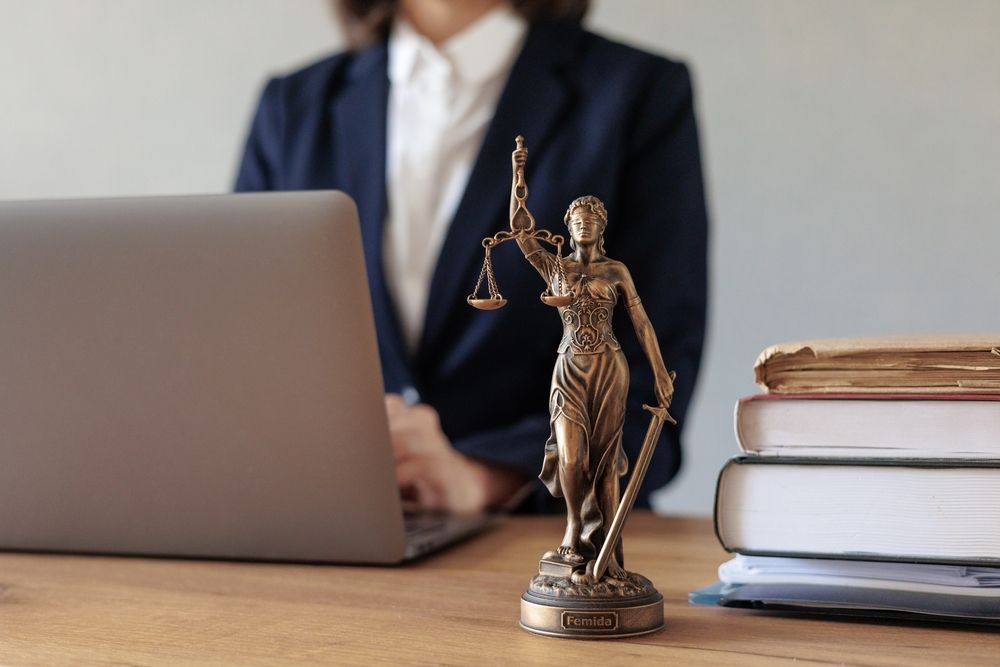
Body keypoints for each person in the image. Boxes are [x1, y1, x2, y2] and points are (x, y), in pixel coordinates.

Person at [234, 0, 708, 515]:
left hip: (551, 547)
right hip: (327, 524)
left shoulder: (636, 92)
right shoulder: (292, 107)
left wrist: (482, 478)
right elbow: (243, 354)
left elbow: (652, 394)